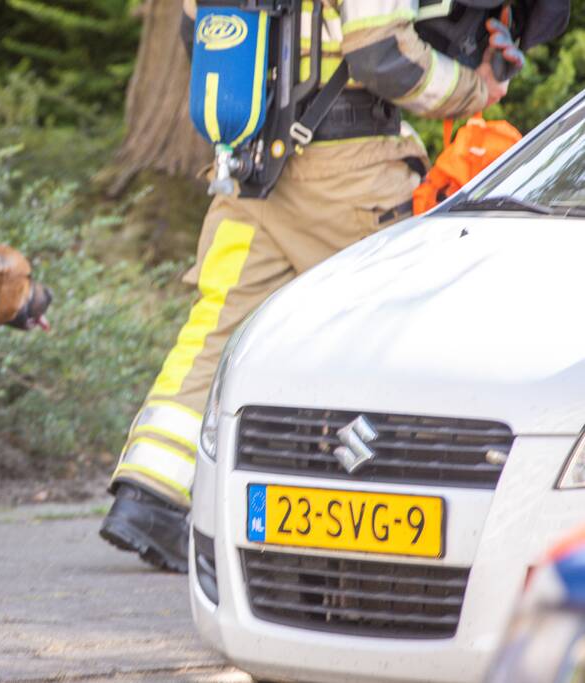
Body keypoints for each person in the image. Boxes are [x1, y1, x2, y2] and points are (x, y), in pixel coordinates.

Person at [100, 0, 526, 573]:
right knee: (387, 343)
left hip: (247, 173)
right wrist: (474, 87)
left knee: (213, 334)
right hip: (348, 174)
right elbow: (380, 57)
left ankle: (147, 497)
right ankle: (378, 521)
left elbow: (198, 33)